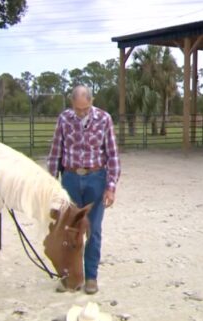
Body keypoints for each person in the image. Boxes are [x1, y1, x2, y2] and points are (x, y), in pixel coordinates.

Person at [47, 85, 120, 295]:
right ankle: (70, 275)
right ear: (72, 104)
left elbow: (113, 155)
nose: (81, 113)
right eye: (78, 109)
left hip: (96, 178)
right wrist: (52, 184)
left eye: (85, 109)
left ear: (91, 102)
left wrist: (111, 187)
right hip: (70, 178)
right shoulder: (64, 119)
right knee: (68, 229)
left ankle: (91, 277)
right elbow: (55, 153)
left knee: (93, 229)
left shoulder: (104, 119)